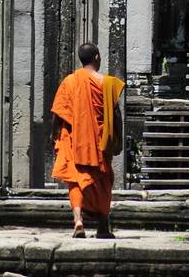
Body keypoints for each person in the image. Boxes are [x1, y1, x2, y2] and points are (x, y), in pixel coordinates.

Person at [51, 43, 125, 238]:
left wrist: (54, 134)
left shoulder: (69, 81)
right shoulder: (107, 83)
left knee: (75, 181)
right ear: (97, 57)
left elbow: (58, 112)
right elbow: (116, 114)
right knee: (102, 180)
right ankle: (102, 226)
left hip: (74, 140)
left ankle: (78, 221)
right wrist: (119, 138)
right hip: (99, 141)